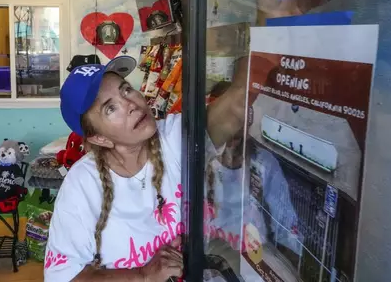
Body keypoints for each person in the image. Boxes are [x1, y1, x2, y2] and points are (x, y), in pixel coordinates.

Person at [44, 56, 246, 282]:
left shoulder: (172, 137)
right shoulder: (82, 186)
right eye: (110, 108)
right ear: (99, 137)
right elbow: (65, 278)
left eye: (126, 90)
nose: (131, 105)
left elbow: (237, 105)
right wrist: (143, 275)